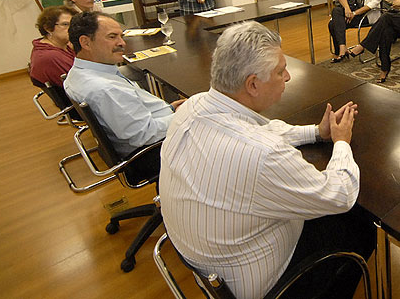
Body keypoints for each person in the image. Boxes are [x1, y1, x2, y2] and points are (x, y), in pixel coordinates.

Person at [160, 21, 375, 299]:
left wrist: (317, 132)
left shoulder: (194, 105)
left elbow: (260, 129)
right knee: (359, 222)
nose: (287, 77)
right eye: (279, 71)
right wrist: (342, 142)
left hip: (202, 259)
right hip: (252, 280)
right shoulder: (264, 154)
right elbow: (339, 195)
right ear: (252, 84)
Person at [64, 12, 184, 174]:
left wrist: (169, 109)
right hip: (152, 150)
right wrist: (185, 115)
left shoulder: (77, 73)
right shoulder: (105, 89)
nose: (122, 43)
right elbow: (144, 135)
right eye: (112, 37)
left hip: (150, 131)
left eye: (121, 36)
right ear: (85, 42)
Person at [30, 5, 78, 87]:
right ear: (48, 28)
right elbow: (78, 82)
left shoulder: (62, 46)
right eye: (65, 24)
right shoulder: (50, 56)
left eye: (73, 24)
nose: (72, 29)